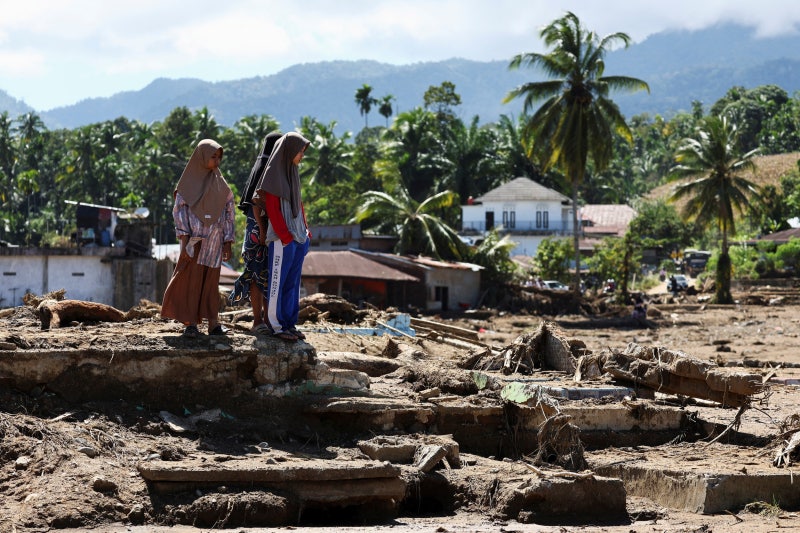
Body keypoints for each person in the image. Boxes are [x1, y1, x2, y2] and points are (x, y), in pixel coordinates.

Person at [161, 139, 235, 338]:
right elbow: (179, 213)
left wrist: (228, 241)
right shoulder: (187, 185)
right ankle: (191, 324)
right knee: (191, 283)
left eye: (219, 157)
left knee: (211, 284)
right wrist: (184, 242)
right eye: (213, 156)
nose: (217, 161)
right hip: (195, 243)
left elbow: (229, 212)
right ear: (201, 157)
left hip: (215, 244)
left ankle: (213, 324)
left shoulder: (221, 185)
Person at [251, 131, 311, 342]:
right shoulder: (275, 174)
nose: (302, 155)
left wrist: (305, 231)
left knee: (292, 284)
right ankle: (276, 326)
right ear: (289, 150)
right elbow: (273, 209)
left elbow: (299, 204)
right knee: (277, 282)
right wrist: (285, 237)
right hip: (281, 238)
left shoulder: (292, 172)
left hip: (298, 237)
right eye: (300, 151)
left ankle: (289, 323)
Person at [229, 131, 282, 335]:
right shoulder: (267, 171)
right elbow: (256, 205)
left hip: (258, 232)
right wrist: (262, 230)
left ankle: (264, 321)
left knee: (260, 276)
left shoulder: (260, 169)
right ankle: (261, 321)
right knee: (261, 277)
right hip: (261, 233)